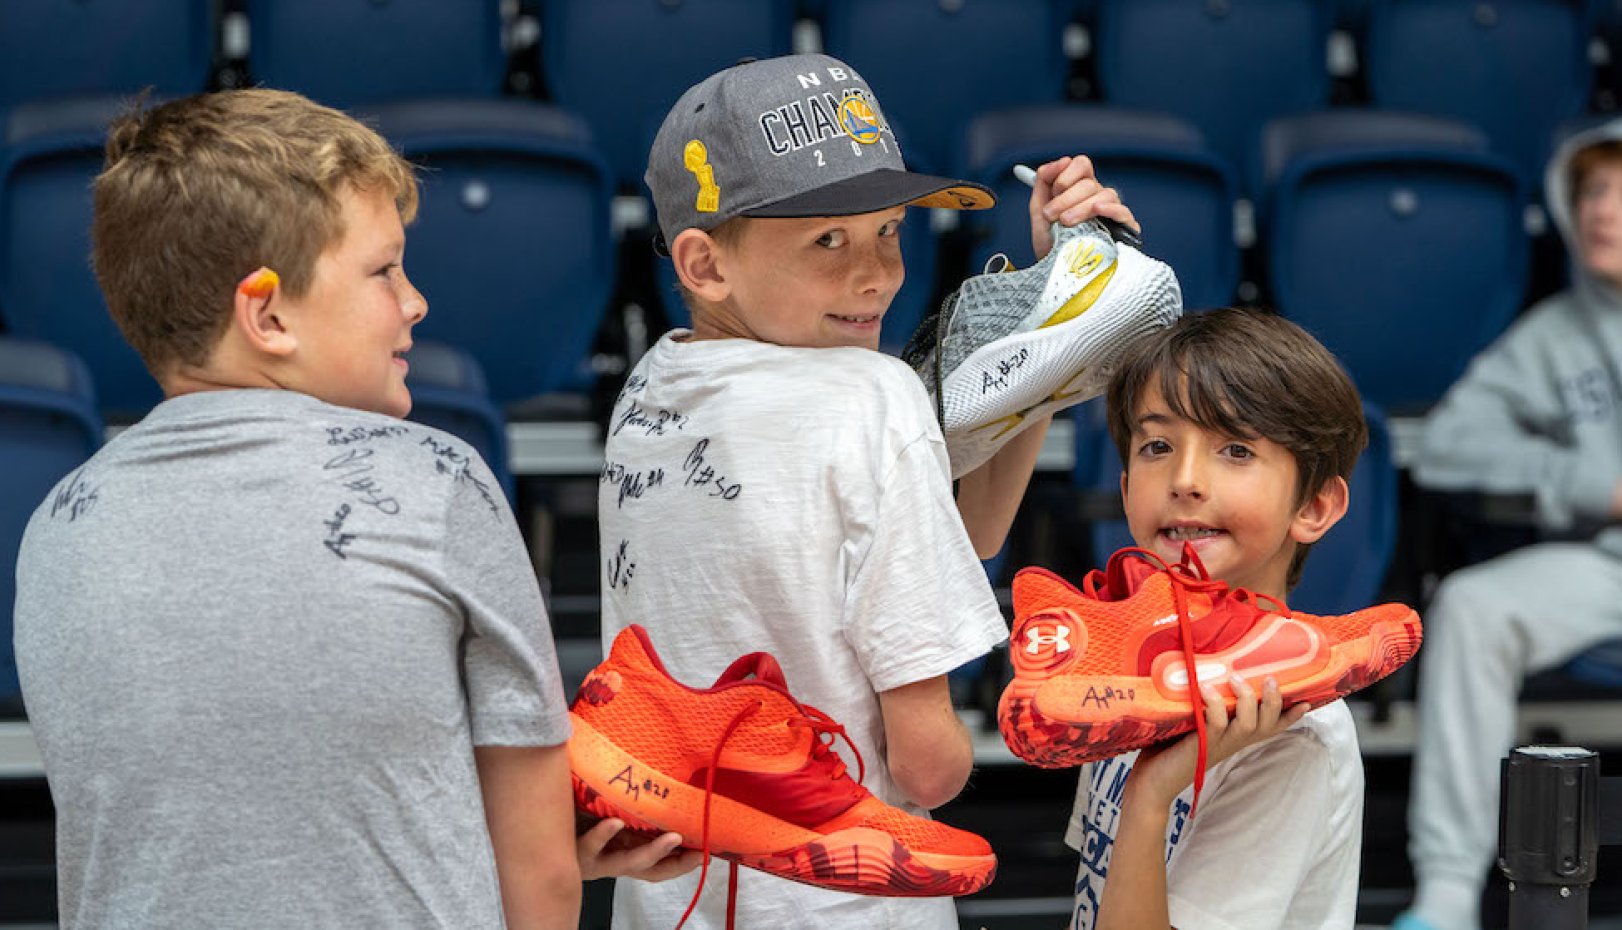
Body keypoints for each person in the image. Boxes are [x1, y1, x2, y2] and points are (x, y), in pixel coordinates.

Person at [11, 88, 657, 930]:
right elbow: (538, 877)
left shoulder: (60, 522)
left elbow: (229, 827)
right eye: (384, 270)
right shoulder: (438, 480)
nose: (414, 302)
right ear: (267, 313)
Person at [598, 52, 1144, 927]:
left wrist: (1048, 349)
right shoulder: (871, 398)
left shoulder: (653, 388)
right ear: (704, 264)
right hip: (846, 898)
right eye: (828, 240)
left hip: (670, 900)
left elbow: (956, 542)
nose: (877, 275)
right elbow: (928, 769)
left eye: (888, 230)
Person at [1067, 308, 1372, 929]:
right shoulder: (1131, 673)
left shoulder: (1292, 735)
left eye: (1235, 449)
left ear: (1314, 504)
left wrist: (1149, 799)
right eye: (1157, 446)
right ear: (1125, 489)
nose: (1184, 480)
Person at [1392, 120, 1622, 930]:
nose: (1602, 210)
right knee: (1472, 603)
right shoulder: (1556, 333)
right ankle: (1449, 892)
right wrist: (1594, 482)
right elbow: (1451, 445)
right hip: (1610, 566)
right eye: (1591, 191)